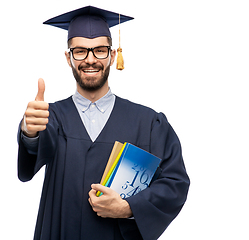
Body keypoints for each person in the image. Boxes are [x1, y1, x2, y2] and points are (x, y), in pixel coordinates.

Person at [17, 6, 190, 240]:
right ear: (68, 58)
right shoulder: (52, 118)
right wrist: (29, 132)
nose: (90, 59)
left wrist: (129, 207)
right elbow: (35, 148)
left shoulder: (148, 123)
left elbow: (175, 184)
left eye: (99, 50)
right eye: (80, 51)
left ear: (111, 54)